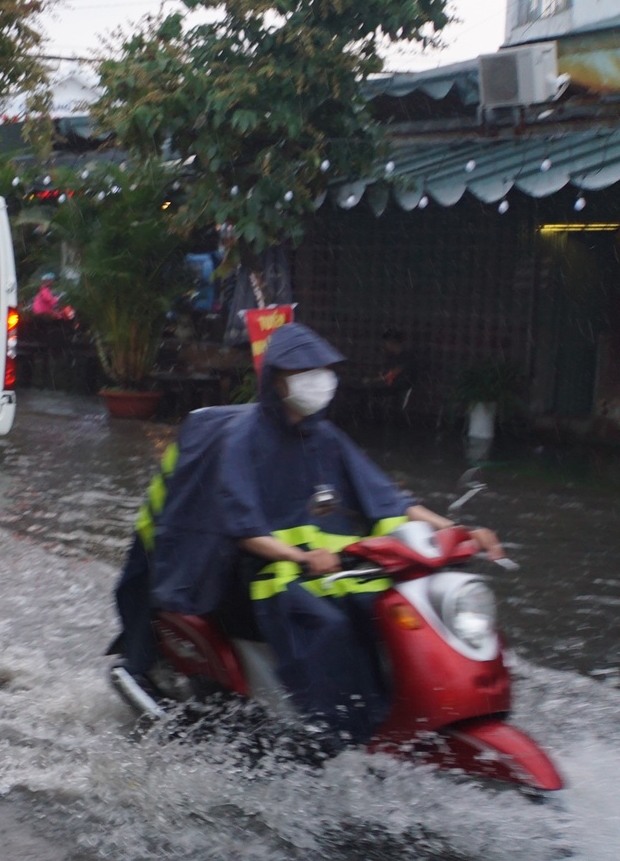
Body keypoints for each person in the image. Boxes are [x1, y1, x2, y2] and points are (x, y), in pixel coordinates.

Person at [113, 323, 502, 753]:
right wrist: (301, 558)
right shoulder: (243, 441)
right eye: (306, 371)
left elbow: (388, 500)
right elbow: (242, 528)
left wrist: (455, 530)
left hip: (332, 573)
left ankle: (389, 726)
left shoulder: (326, 438)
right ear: (277, 380)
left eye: (324, 370)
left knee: (380, 612)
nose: (319, 380)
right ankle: (328, 740)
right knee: (328, 628)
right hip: (267, 575)